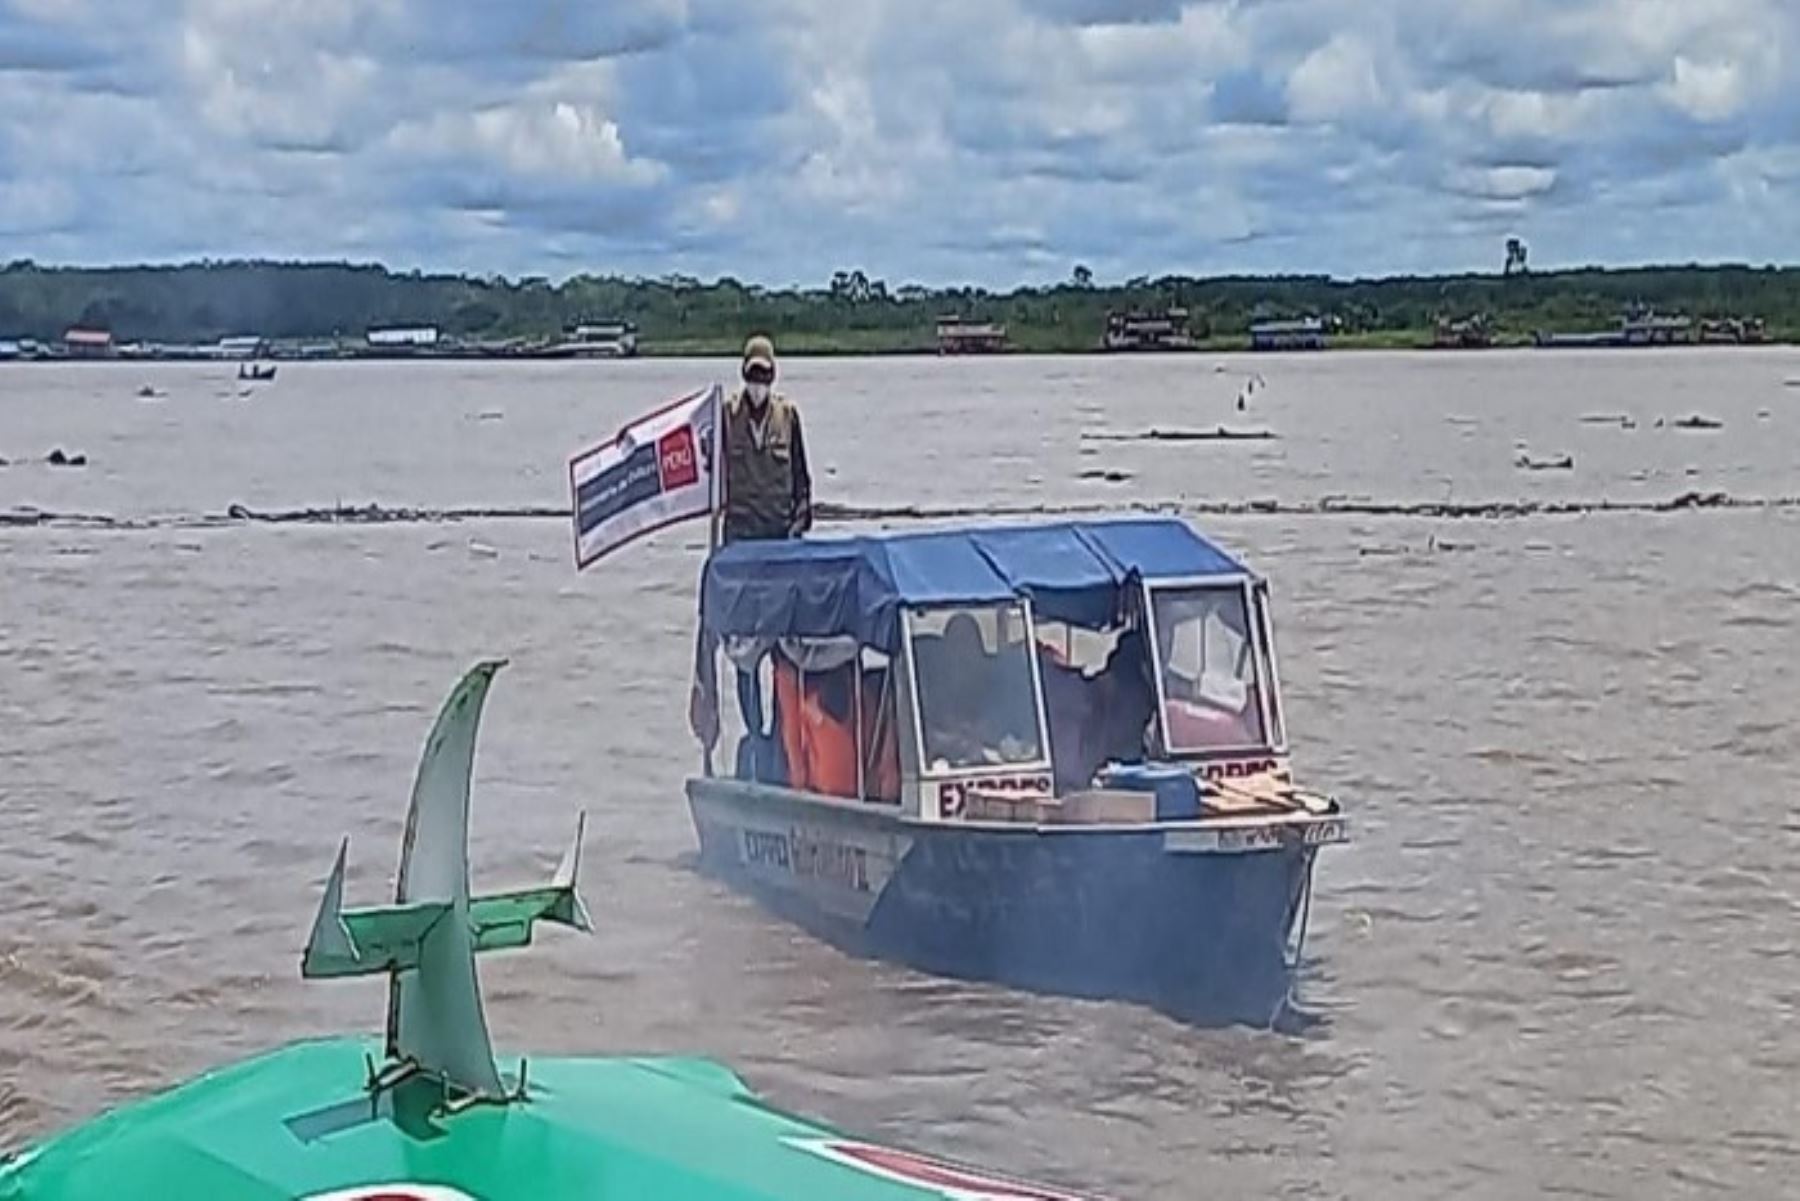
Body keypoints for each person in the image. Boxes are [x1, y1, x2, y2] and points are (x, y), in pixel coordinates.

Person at [719, 334, 813, 544]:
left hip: (779, 530)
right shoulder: (726, 415)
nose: (758, 383)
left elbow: (801, 476)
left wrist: (800, 521)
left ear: (772, 376)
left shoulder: (788, 415)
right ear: (743, 374)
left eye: (763, 374)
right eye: (753, 374)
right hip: (740, 532)